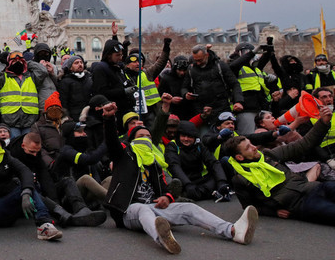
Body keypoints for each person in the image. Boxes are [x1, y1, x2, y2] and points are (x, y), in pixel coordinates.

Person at [102, 100, 258, 254]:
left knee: (189, 208)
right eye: (141, 136)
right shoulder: (123, 156)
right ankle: (163, 238)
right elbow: (111, 141)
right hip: (127, 211)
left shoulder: (155, 163)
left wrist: (167, 197)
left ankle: (232, 231)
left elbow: (164, 187)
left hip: (154, 208)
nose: (146, 138)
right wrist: (109, 118)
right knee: (142, 209)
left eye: (148, 136)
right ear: (131, 141)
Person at [223, 105, 335, 225]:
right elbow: (249, 206)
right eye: (248, 148)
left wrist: (323, 122)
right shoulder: (240, 179)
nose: (254, 148)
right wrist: (274, 212)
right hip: (300, 204)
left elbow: (303, 144)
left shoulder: (268, 155)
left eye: (251, 144)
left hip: (313, 188)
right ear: (240, 157)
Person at [164, 120, 230, 201]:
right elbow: (174, 167)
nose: (186, 139)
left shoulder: (199, 146)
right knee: (181, 187)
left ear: (194, 137)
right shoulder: (172, 146)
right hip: (183, 181)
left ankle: (206, 193)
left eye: (190, 137)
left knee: (217, 178)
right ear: (178, 136)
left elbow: (213, 162)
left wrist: (221, 181)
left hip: (200, 180)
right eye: (183, 136)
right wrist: (187, 184)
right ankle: (208, 193)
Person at [181, 45, 244, 125]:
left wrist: (238, 101)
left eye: (200, 60)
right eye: (195, 60)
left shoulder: (220, 66)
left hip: (221, 108)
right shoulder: (191, 69)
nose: (197, 63)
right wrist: (186, 94)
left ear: (206, 55)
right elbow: (184, 87)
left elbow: (234, 84)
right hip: (201, 110)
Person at [0, 51, 49, 138]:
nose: (18, 63)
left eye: (20, 61)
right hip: (11, 120)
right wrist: (2, 63)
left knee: (28, 146)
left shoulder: (31, 76)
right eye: (14, 61)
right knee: (15, 147)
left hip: (29, 120)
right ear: (9, 63)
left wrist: (28, 62)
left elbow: (43, 71)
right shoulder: (4, 77)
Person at [57, 55, 93, 122]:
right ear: (70, 67)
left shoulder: (89, 79)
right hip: (74, 118)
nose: (80, 64)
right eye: (76, 63)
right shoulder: (65, 82)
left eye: (81, 62)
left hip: (90, 116)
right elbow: (64, 102)